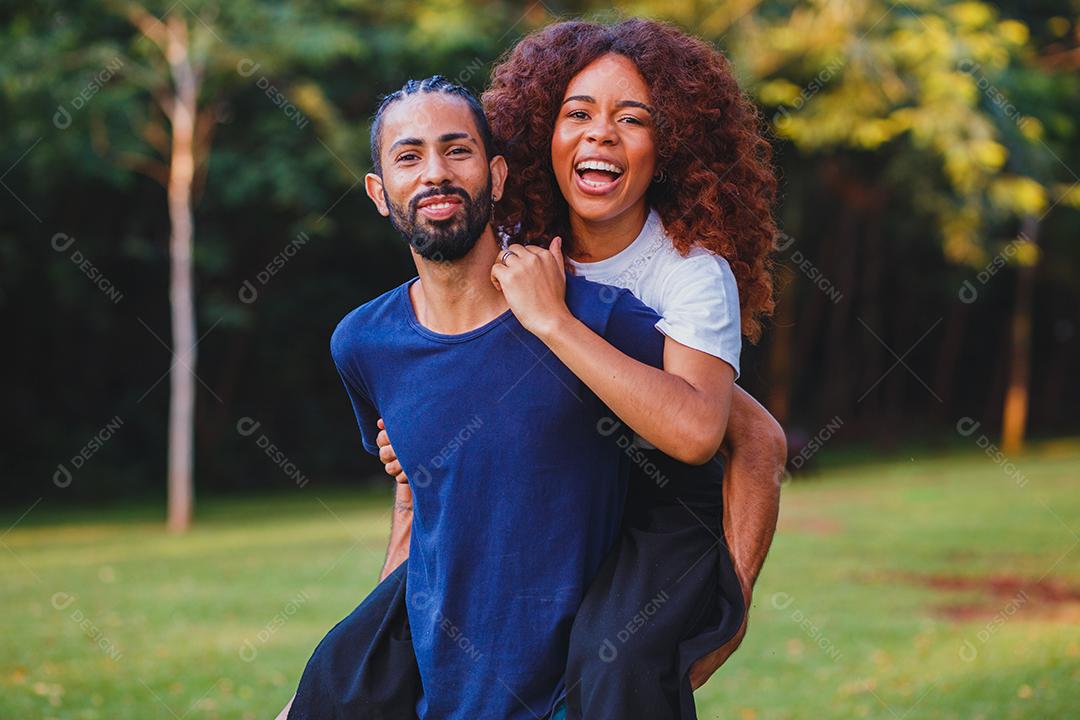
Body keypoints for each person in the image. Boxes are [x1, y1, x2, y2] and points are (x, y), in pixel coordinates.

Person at [377, 18, 785, 720]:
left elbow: (726, 436)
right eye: (578, 114)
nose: (601, 134)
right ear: (544, 134)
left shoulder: (688, 275)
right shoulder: (513, 247)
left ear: (671, 145)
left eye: (634, 119)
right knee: (361, 654)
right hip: (549, 502)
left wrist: (730, 613)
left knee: (612, 662)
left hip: (656, 510)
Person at [281, 76, 672, 720]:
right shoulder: (363, 344)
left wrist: (717, 624)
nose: (435, 173)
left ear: (495, 175)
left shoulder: (594, 317)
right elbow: (416, 501)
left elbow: (737, 437)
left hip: (578, 700)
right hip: (442, 699)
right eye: (409, 157)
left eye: (456, 151)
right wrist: (366, 666)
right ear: (380, 193)